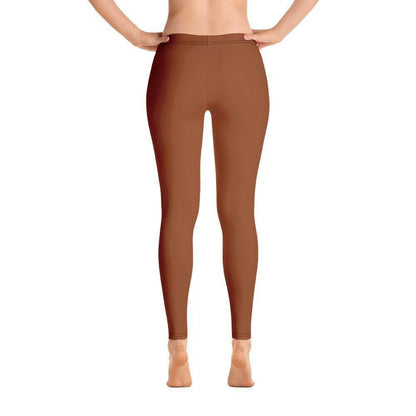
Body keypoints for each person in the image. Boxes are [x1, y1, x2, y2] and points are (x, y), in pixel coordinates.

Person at [88, 0, 319, 387]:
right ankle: (241, 351)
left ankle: (178, 351)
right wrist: (280, 31)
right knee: (239, 212)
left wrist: (135, 35)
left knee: (177, 213)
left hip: (178, 61)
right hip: (240, 63)